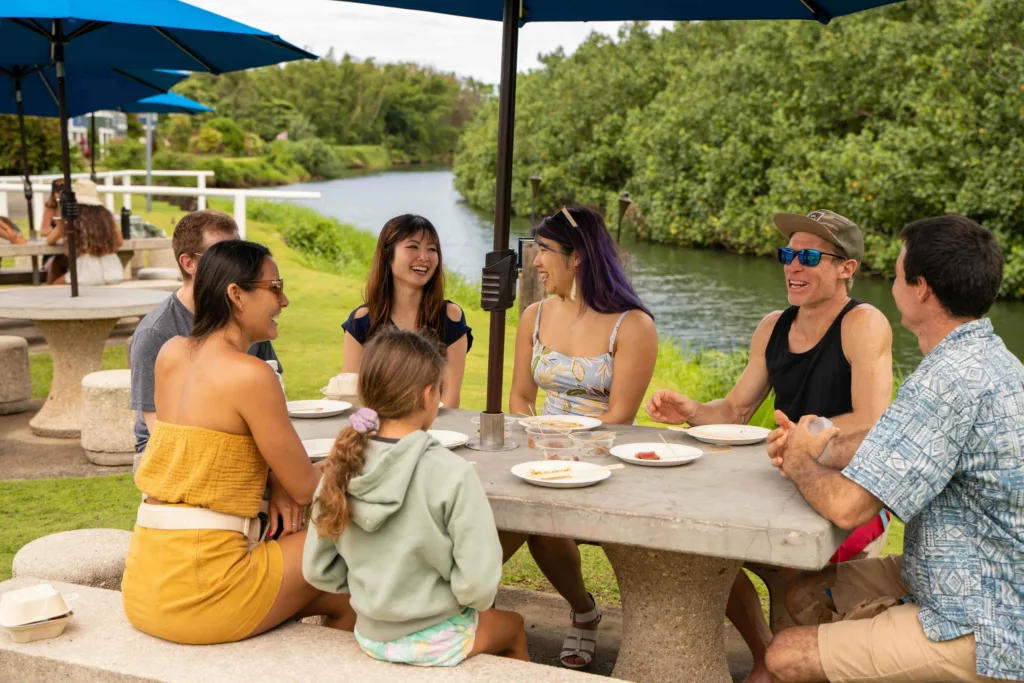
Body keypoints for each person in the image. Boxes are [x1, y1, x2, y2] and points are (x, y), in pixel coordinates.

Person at [764, 215, 1023, 683]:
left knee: (785, 655)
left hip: (987, 619)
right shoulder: (987, 358)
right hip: (955, 568)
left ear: (920, 288)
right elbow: (895, 444)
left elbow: (848, 509)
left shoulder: (946, 381)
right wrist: (818, 442)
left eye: (900, 271)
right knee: (804, 594)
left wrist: (800, 459)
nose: (893, 280)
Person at [645, 209, 894, 682]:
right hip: (781, 482)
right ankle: (766, 654)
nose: (792, 266)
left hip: (849, 496)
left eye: (807, 256)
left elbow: (871, 422)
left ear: (847, 268)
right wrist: (692, 409)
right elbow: (735, 410)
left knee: (791, 575)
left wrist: (805, 437)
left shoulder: (864, 323)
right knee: (701, 553)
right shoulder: (772, 326)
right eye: (787, 254)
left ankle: (787, 663)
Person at [123, 239, 354, 643]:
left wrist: (276, 478)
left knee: (343, 596)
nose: (285, 301)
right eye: (275, 288)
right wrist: (356, 453)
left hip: (146, 583)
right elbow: (306, 487)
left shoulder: (171, 352)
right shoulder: (250, 375)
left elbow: (198, 450)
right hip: (205, 591)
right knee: (353, 539)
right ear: (236, 295)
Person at [303, 329, 528, 666]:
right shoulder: (452, 473)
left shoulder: (340, 466)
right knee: (514, 628)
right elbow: (478, 588)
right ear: (428, 396)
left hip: (371, 634)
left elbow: (317, 570)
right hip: (439, 635)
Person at [507, 205, 658, 669]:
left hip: (604, 456)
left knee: (543, 525)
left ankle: (595, 615)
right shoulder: (533, 316)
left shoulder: (632, 325)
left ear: (578, 257)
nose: (534, 262)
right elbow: (519, 396)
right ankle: (579, 610)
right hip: (540, 448)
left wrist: (568, 451)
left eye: (544, 250)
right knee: (504, 518)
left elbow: (619, 416)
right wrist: (540, 441)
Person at [129, 210, 281, 456]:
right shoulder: (156, 333)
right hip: (165, 455)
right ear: (188, 264)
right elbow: (157, 427)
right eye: (220, 254)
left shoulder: (248, 318)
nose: (238, 264)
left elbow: (274, 387)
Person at [341, 214, 471, 409]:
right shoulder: (362, 320)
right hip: (378, 431)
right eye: (413, 247)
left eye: (432, 249)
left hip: (436, 431)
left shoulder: (450, 317)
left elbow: (451, 400)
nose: (424, 257)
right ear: (388, 254)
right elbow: (352, 396)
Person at [45, 179, 124, 286]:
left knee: (54, 287)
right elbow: (119, 241)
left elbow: (50, 240)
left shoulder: (71, 217)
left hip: (86, 270)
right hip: (112, 268)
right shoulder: (107, 215)